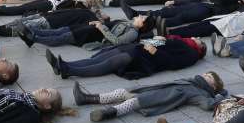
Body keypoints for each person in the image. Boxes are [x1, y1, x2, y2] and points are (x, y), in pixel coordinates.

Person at [71, 71, 226, 121]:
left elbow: (208, 104)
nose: (204, 75)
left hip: (156, 100)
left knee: (131, 103)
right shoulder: (191, 81)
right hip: (150, 91)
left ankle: (106, 113)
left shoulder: (199, 92)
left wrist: (220, 95)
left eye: (209, 77)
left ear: (212, 87)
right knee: (121, 92)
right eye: (206, 73)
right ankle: (87, 98)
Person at [44, 35, 205, 80]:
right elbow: (164, 43)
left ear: (200, 48)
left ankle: (68, 70)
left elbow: (173, 63)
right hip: (137, 48)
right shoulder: (181, 41)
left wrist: (154, 51)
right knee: (98, 59)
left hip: (144, 59)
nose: (197, 37)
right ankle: (63, 65)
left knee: (107, 63)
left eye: (200, 40)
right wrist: (152, 41)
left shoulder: (192, 54)